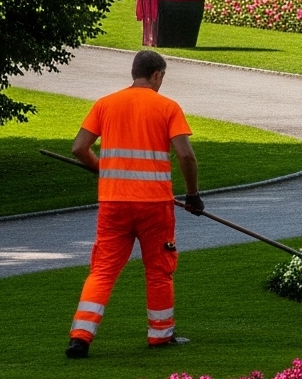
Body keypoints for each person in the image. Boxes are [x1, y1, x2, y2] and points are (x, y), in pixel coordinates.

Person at [65, 49, 204, 357]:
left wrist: (105, 170)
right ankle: (160, 334)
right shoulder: (167, 107)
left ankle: (80, 336)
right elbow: (185, 155)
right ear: (156, 75)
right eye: (162, 78)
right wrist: (193, 194)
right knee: (159, 270)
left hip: (113, 202)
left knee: (102, 270)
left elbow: (78, 148)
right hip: (154, 205)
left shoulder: (105, 104)